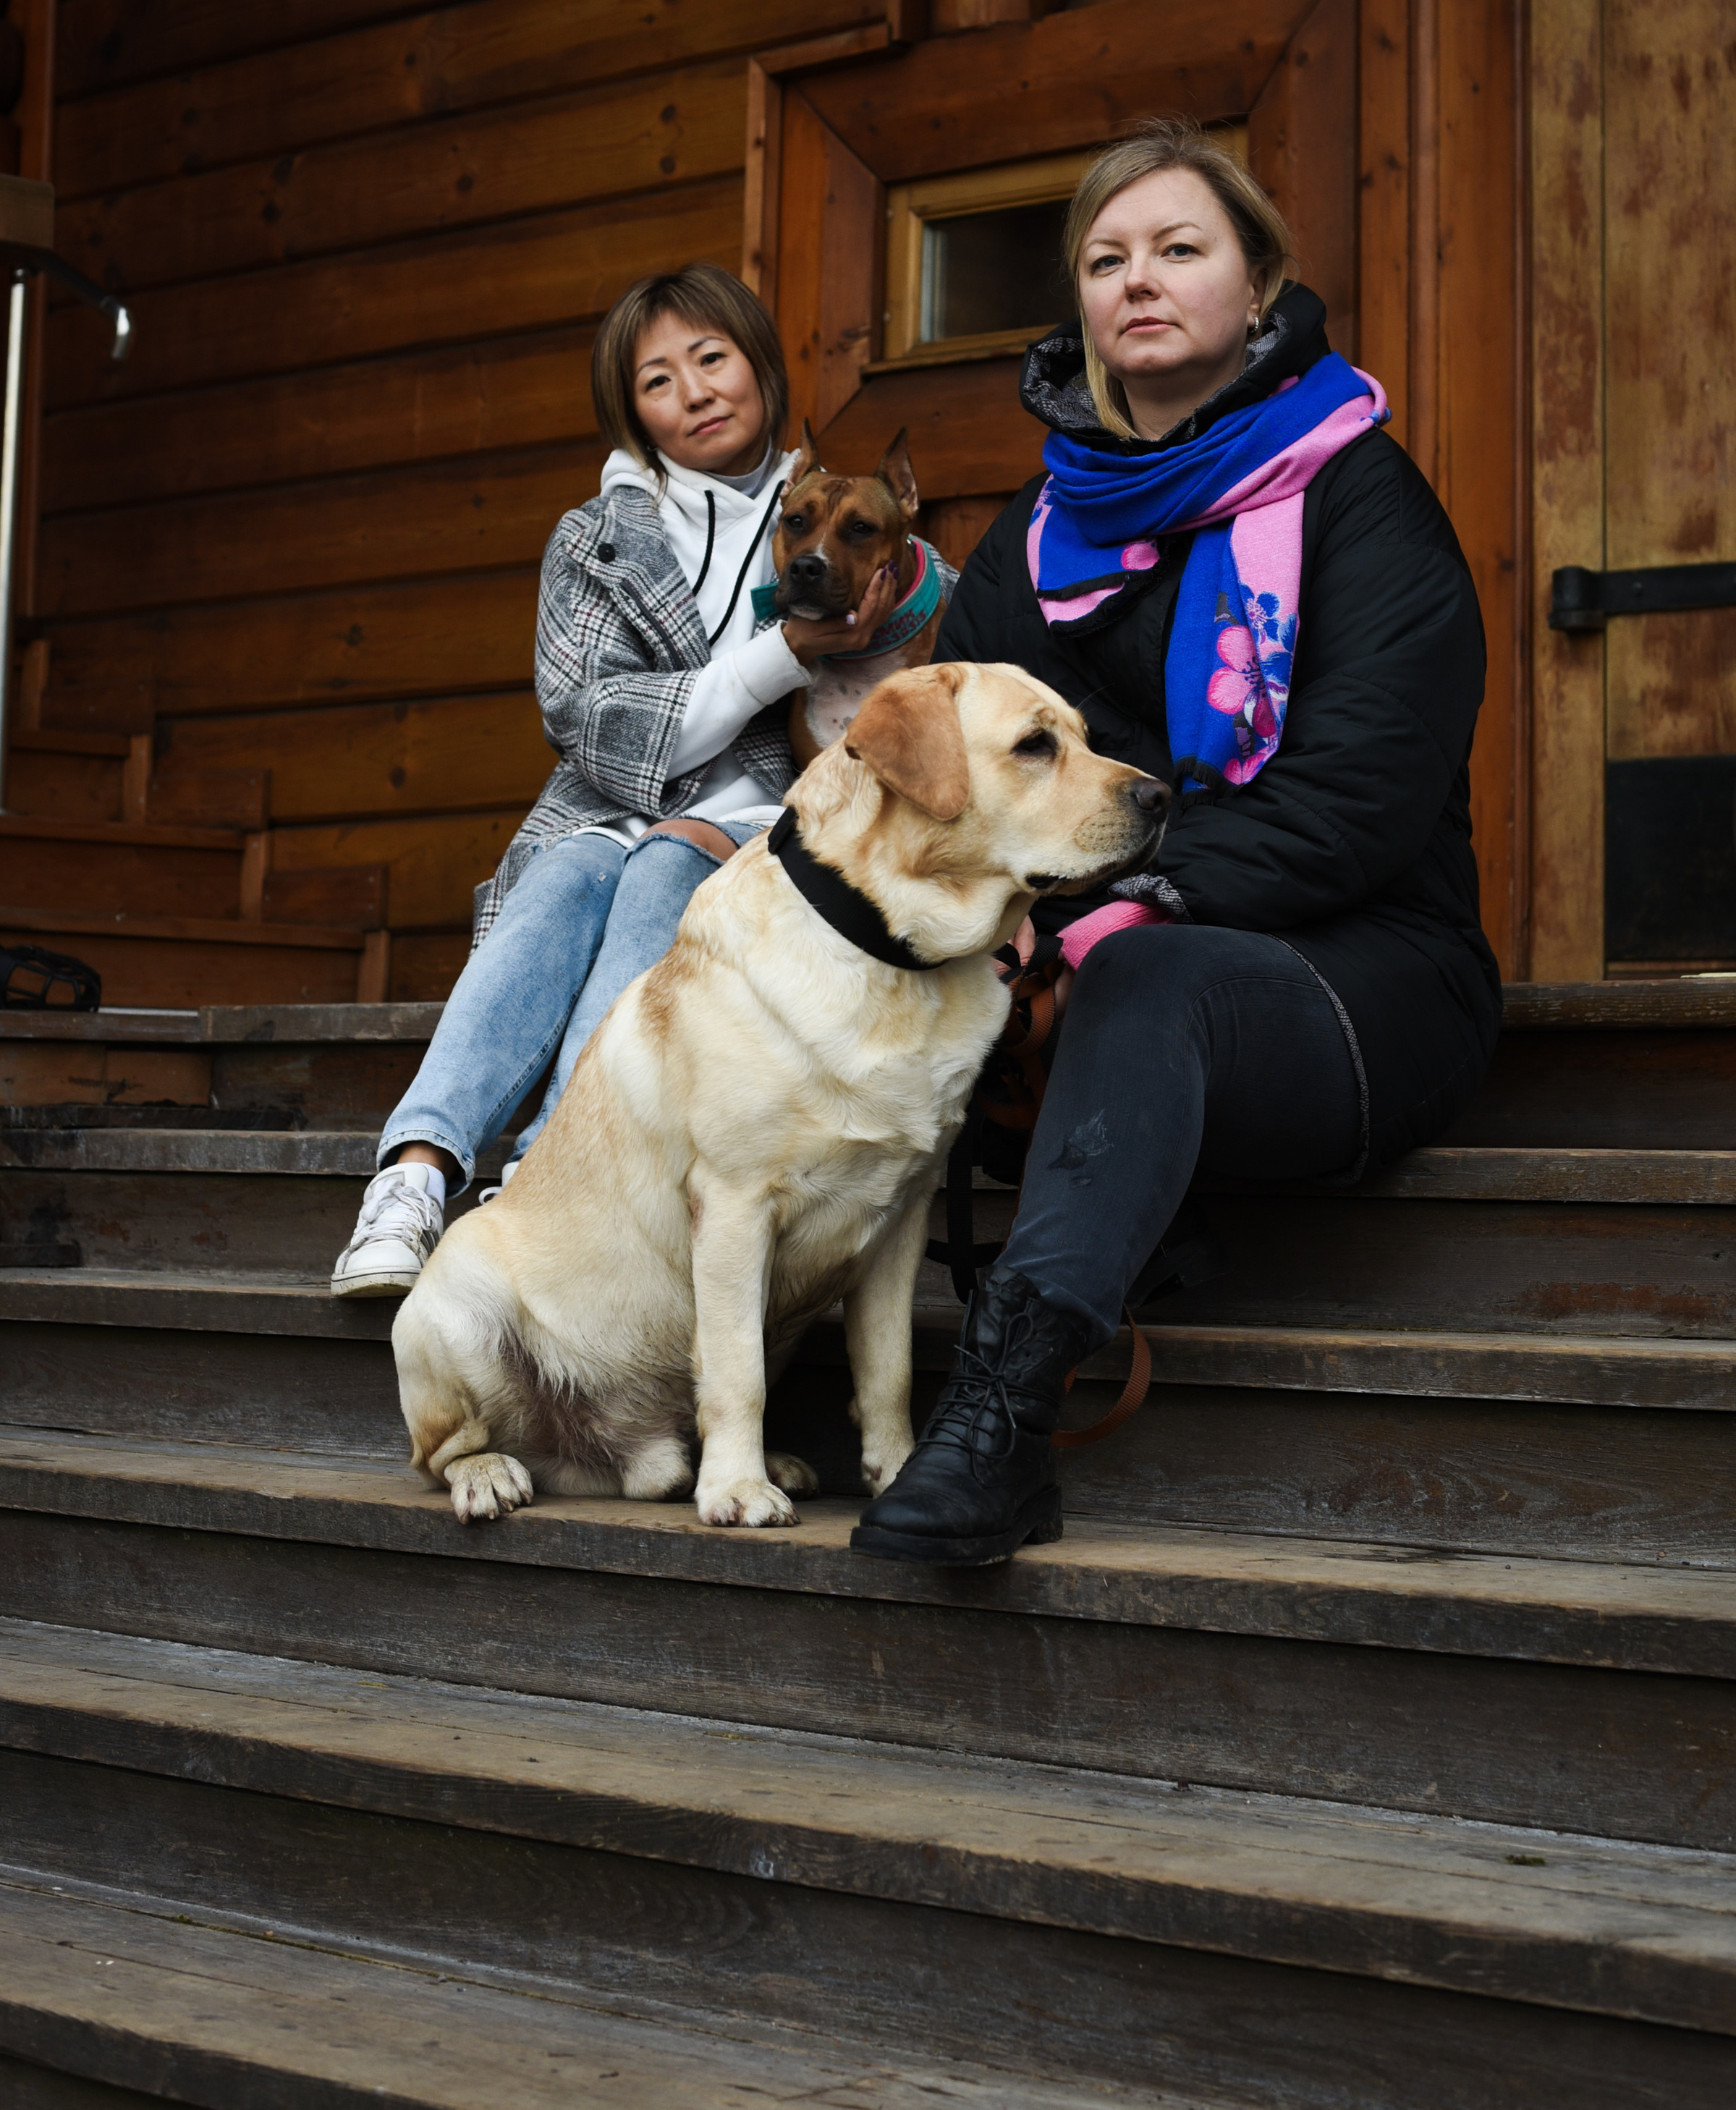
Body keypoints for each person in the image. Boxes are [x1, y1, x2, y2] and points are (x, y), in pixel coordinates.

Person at [852, 120, 1501, 1567]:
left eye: (1178, 248)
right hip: (1079, 972)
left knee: (1148, 981)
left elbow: (1354, 810)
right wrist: (1020, 947)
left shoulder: (1357, 498)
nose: (1136, 279)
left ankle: (1000, 1418)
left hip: (1362, 973)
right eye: (1104, 259)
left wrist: (1105, 923)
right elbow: (947, 797)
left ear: (1259, 287)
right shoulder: (1033, 544)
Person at [331, 265, 900, 1299]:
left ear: (762, 367)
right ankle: (414, 1177)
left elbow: (893, 681)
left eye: (713, 358)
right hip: (610, 804)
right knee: (564, 876)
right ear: (631, 413)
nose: (694, 390)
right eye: (657, 379)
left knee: (662, 870)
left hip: (761, 816)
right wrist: (779, 654)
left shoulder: (837, 512)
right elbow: (591, 722)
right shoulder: (592, 541)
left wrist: (878, 616)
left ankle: (542, 1178)